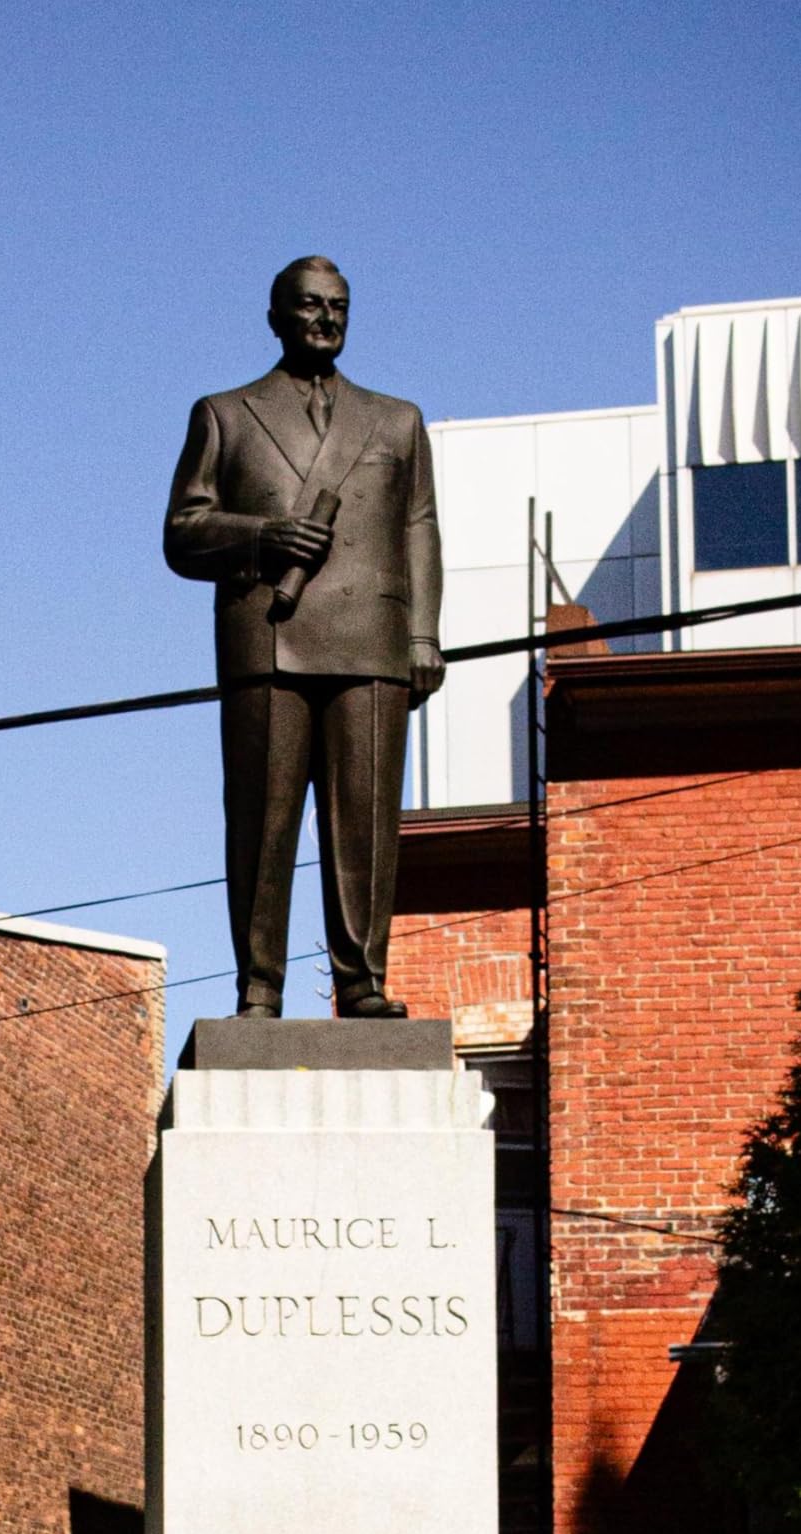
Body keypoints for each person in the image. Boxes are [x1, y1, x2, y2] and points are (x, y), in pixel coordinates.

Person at [164, 255, 446, 1020]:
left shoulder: (397, 420)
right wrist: (265, 536)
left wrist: (423, 635)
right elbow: (181, 533)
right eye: (311, 305)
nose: (326, 318)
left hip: (371, 639)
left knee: (366, 821)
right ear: (276, 316)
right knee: (263, 821)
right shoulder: (225, 413)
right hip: (269, 641)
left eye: (340, 306)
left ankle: (362, 982)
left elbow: (418, 527)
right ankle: (259, 987)